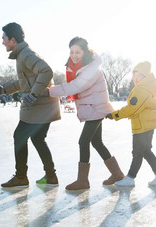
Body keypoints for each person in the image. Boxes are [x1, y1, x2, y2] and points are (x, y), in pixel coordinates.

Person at [47, 37, 124, 190]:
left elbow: (75, 86)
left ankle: (83, 180)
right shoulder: (77, 67)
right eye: (72, 52)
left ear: (85, 51)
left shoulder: (92, 68)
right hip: (93, 107)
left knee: (83, 142)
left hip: (96, 108)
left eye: (78, 52)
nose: (74, 55)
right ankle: (117, 174)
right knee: (96, 142)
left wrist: (49, 91)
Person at [0, 22, 61, 188]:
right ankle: (51, 176)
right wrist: (5, 90)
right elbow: (25, 80)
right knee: (38, 139)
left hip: (39, 106)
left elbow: (46, 71)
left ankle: (21, 177)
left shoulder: (25, 54)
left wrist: (33, 94)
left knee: (20, 137)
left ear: (13, 40)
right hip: (45, 106)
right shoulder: (23, 54)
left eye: (4, 38)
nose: (2, 42)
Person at [106, 61, 156, 187]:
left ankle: (130, 178)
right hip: (146, 125)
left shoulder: (141, 90)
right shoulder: (145, 88)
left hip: (143, 127)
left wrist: (114, 115)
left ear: (146, 77)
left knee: (138, 153)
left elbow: (132, 108)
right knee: (146, 152)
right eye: (135, 76)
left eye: (139, 76)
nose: (136, 79)